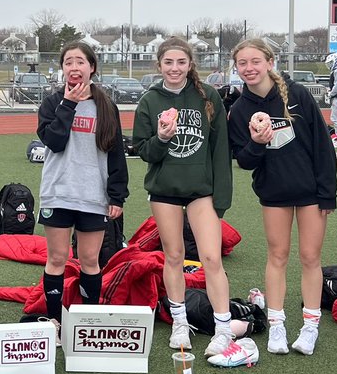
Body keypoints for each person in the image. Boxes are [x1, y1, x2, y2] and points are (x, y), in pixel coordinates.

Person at [228, 38, 337, 356]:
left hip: (310, 193)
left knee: (310, 257)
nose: (249, 68)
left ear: (270, 62)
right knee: (277, 256)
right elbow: (245, 161)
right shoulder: (239, 109)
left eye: (255, 61)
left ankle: (310, 327)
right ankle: (277, 325)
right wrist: (258, 142)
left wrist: (327, 193)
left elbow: (322, 146)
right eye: (242, 64)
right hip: (274, 193)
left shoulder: (298, 95)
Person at [133, 37, 234, 356]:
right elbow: (143, 150)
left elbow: (220, 151)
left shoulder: (209, 96)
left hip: (201, 192)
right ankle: (179, 323)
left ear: (190, 64)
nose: (174, 68)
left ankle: (223, 328)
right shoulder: (149, 101)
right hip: (164, 192)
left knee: (212, 258)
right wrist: (162, 138)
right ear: (159, 65)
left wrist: (221, 200)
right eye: (168, 62)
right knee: (173, 257)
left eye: (181, 62)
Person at [35, 43, 128, 332]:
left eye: (80, 62)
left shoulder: (106, 106)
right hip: (59, 193)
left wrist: (117, 194)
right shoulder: (52, 104)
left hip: (93, 195)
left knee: (90, 260)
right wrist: (69, 104)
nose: (74, 68)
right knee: (58, 258)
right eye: (68, 62)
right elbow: (54, 141)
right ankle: (54, 320)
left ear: (92, 67)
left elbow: (115, 153)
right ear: (62, 68)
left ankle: (87, 322)